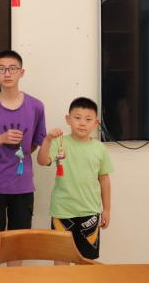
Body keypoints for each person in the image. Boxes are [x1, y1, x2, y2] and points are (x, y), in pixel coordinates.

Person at [0, 50, 46, 266]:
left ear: (21, 72)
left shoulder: (36, 106)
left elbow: (35, 143)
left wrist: (20, 151)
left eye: (12, 69)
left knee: (18, 243)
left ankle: (13, 282)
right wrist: (1, 139)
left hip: (23, 185)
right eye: (2, 69)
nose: (7, 73)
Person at [37, 97, 113, 262]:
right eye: (77, 117)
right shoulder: (59, 142)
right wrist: (47, 139)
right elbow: (42, 161)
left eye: (88, 119)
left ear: (96, 123)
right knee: (60, 260)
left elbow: (104, 179)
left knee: (87, 261)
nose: (82, 123)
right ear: (68, 119)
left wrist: (106, 209)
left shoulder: (99, 148)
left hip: (90, 212)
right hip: (62, 211)